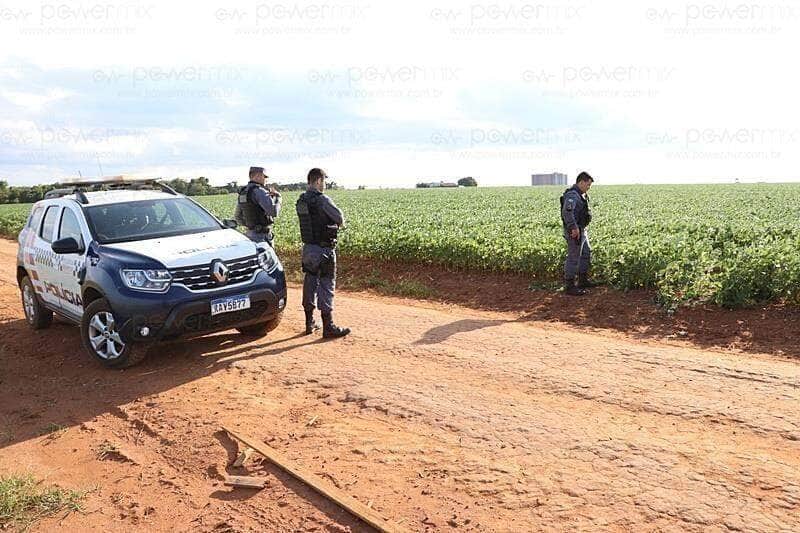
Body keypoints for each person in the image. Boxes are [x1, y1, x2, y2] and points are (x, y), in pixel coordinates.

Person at [296, 168, 350, 338]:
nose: (325, 184)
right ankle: (328, 327)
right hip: (324, 250)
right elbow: (340, 219)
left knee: (310, 283)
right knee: (326, 285)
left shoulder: (301, 200)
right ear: (318, 181)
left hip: (308, 249)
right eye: (324, 181)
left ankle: (309, 322)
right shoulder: (323, 200)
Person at [561, 171, 596, 296]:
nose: (588, 188)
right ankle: (569, 285)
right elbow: (567, 212)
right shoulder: (573, 195)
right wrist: (574, 228)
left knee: (586, 252)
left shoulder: (580, 194)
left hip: (581, 229)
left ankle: (582, 280)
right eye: (587, 185)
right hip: (574, 231)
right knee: (574, 257)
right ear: (581, 182)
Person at [234, 166, 281, 245]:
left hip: (249, 235)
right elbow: (274, 212)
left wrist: (251, 226)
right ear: (257, 176)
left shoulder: (243, 192)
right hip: (262, 236)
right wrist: (278, 198)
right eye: (265, 176)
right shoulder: (260, 191)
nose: (266, 179)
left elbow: (237, 216)